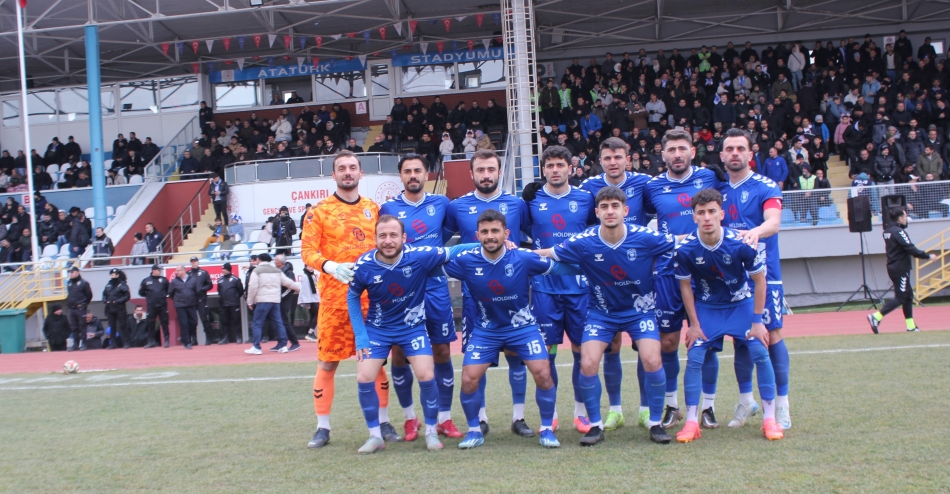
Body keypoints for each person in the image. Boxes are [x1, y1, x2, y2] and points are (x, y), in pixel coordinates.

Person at [535, 186, 675, 446]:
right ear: (597, 212)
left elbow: (680, 242)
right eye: (604, 207)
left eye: (615, 206)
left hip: (639, 311)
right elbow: (549, 253)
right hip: (602, 313)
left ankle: (655, 423)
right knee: (588, 362)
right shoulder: (584, 241)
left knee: (652, 359)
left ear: (625, 210)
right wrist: (512, 252)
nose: (610, 211)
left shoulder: (645, 236)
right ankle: (595, 426)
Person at [444, 209, 578, 450]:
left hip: (523, 328)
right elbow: (432, 269)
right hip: (486, 330)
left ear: (506, 233)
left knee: (543, 373)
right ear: (477, 235)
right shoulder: (466, 260)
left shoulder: (522, 257)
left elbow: (560, 269)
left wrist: (594, 267)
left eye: (495, 231)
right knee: (469, 379)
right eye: (484, 232)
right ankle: (474, 430)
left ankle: (547, 429)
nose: (490, 236)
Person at [347, 217, 472, 453]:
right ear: (375, 239)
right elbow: (352, 297)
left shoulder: (418, 255)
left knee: (426, 374)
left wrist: (496, 244)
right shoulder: (363, 264)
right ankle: (375, 436)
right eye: (382, 236)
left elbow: (455, 250)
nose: (388, 241)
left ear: (404, 238)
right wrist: (361, 337)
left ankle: (431, 431)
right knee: (364, 377)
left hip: (412, 328)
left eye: (393, 235)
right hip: (378, 329)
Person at [673, 188, 784, 442]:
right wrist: (693, 324)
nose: (707, 217)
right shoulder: (685, 249)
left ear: (721, 214)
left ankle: (770, 419)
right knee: (695, 356)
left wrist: (757, 322)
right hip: (707, 309)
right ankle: (691, 422)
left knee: (760, 351)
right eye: (701, 212)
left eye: (712, 211)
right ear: (694, 217)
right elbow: (685, 287)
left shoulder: (741, 243)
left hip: (740, 306)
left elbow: (760, 282)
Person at [301, 150, 394, 449]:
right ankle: (322, 427)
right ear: (334, 175)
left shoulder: (373, 209)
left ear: (360, 173)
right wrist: (330, 266)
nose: (347, 172)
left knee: (375, 363)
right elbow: (307, 252)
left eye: (352, 167)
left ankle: (383, 422)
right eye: (341, 168)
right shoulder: (318, 211)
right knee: (327, 364)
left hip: (371, 302)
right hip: (334, 302)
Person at [443, 149, 533, 436]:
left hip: (515, 297)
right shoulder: (457, 207)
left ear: (499, 172)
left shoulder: (517, 204)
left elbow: (530, 237)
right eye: (480, 170)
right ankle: (480, 418)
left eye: (491, 169)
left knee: (517, 357)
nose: (486, 175)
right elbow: (443, 244)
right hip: (476, 298)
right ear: (471, 173)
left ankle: (518, 417)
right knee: (476, 361)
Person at [643, 128, 724, 431]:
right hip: (666, 272)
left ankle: (708, 407)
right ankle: (672, 404)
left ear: (692, 151)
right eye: (671, 150)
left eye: (682, 149)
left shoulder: (710, 177)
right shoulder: (652, 187)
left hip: (705, 271)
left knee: (706, 340)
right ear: (662, 154)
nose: (677, 155)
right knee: (667, 342)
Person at [379, 154, 462, 440]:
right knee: (400, 352)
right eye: (407, 171)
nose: (413, 175)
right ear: (400, 176)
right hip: (401, 291)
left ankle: (444, 418)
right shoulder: (388, 208)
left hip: (435, 286)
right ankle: (410, 418)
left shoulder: (442, 203)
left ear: (426, 175)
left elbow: (446, 235)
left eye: (417, 170)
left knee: (442, 351)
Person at [717, 128, 791, 431]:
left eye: (740, 148)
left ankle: (782, 405)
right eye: (729, 149)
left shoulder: (765, 186)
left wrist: (755, 232)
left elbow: (774, 222)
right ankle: (746, 400)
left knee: (772, 336)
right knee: (740, 339)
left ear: (751, 153)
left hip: (764, 275)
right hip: (731, 278)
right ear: (722, 156)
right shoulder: (719, 191)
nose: (735, 153)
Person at [578, 137, 652, 429]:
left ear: (628, 159)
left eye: (618, 157)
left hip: (639, 273)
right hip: (604, 271)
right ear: (600, 161)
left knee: (645, 345)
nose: (613, 162)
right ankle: (616, 409)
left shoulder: (645, 183)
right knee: (612, 344)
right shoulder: (588, 187)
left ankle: (646, 409)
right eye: (607, 158)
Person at [520, 146, 595, 434]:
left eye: (560, 165)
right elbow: (520, 230)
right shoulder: (532, 200)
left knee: (581, 352)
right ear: (543, 170)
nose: (555, 170)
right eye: (549, 165)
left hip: (579, 287)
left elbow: (593, 234)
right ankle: (549, 414)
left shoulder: (585, 199)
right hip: (544, 288)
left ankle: (580, 413)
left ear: (570, 168)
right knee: (546, 354)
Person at [868, 208, 936, 334]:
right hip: (900, 268)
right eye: (905, 216)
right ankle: (876, 317)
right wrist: (928, 256)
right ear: (900, 218)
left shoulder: (887, 231)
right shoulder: (899, 231)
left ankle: (911, 326)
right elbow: (911, 249)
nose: (906, 219)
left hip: (893, 267)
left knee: (908, 296)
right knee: (901, 297)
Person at [244, 253, 299, 354]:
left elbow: (252, 287)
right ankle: (283, 345)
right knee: (279, 323)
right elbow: (288, 282)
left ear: (259, 260)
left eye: (257, 259)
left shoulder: (257, 270)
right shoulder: (276, 270)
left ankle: (256, 347)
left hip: (263, 300)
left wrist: (249, 301)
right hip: (275, 301)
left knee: (257, 323)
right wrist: (299, 288)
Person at [274, 254, 301, 352]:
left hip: (285, 300)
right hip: (278, 299)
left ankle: (295, 342)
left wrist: (281, 296)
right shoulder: (278, 271)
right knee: (279, 322)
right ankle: (281, 343)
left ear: (280, 262)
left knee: (284, 321)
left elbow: (290, 288)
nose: (274, 262)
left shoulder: (289, 272)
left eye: (276, 260)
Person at [168, 264, 198, 349]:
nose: (176, 272)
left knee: (194, 322)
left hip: (191, 304)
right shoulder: (174, 282)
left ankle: (183, 337)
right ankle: (187, 342)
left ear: (183, 270)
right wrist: (178, 299)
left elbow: (196, 291)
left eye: (178, 270)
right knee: (184, 323)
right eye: (176, 270)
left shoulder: (192, 280)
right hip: (180, 305)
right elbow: (170, 293)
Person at [140, 264, 170, 348]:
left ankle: (166, 340)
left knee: (164, 322)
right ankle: (151, 341)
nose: (160, 271)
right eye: (158, 270)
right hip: (151, 306)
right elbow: (141, 292)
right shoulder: (146, 281)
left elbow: (168, 290)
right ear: (153, 270)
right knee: (150, 323)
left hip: (162, 305)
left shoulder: (164, 280)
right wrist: (150, 296)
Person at [101, 268, 131, 349]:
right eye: (111, 275)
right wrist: (105, 301)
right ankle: (113, 343)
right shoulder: (108, 284)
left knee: (123, 325)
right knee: (112, 326)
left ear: (117, 275)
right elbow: (104, 295)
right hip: (110, 308)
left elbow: (127, 296)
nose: (112, 276)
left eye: (113, 275)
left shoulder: (123, 284)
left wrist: (118, 301)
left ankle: (126, 342)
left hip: (120, 308)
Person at [188, 256, 215, 345]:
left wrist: (202, 289)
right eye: (192, 261)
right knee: (192, 321)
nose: (193, 263)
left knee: (205, 319)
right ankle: (194, 339)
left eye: (195, 261)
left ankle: (209, 338)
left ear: (198, 262)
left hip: (201, 299)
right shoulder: (188, 274)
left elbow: (210, 285)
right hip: (191, 300)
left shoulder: (204, 273)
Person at [65, 266, 93, 351]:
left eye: (72, 272)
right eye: (70, 272)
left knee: (82, 326)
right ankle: (75, 344)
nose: (71, 274)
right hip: (72, 308)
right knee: (74, 327)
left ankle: (83, 343)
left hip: (80, 308)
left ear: (77, 272)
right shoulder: (69, 283)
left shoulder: (84, 283)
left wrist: (84, 304)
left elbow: (89, 295)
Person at [217, 263, 244, 344]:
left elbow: (240, 291)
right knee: (224, 321)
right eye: (222, 269)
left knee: (236, 320)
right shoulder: (220, 280)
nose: (223, 270)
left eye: (224, 269)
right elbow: (219, 291)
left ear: (228, 269)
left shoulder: (236, 279)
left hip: (233, 304)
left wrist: (235, 297)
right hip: (224, 304)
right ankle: (225, 338)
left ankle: (239, 337)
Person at [298, 264, 320, 343]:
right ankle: (310, 333)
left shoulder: (312, 275)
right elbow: (305, 290)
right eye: (309, 267)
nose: (311, 268)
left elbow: (316, 287)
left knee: (313, 316)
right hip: (310, 299)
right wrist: (307, 302)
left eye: (312, 266)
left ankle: (310, 334)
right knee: (318, 315)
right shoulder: (305, 276)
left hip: (314, 298)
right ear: (306, 267)